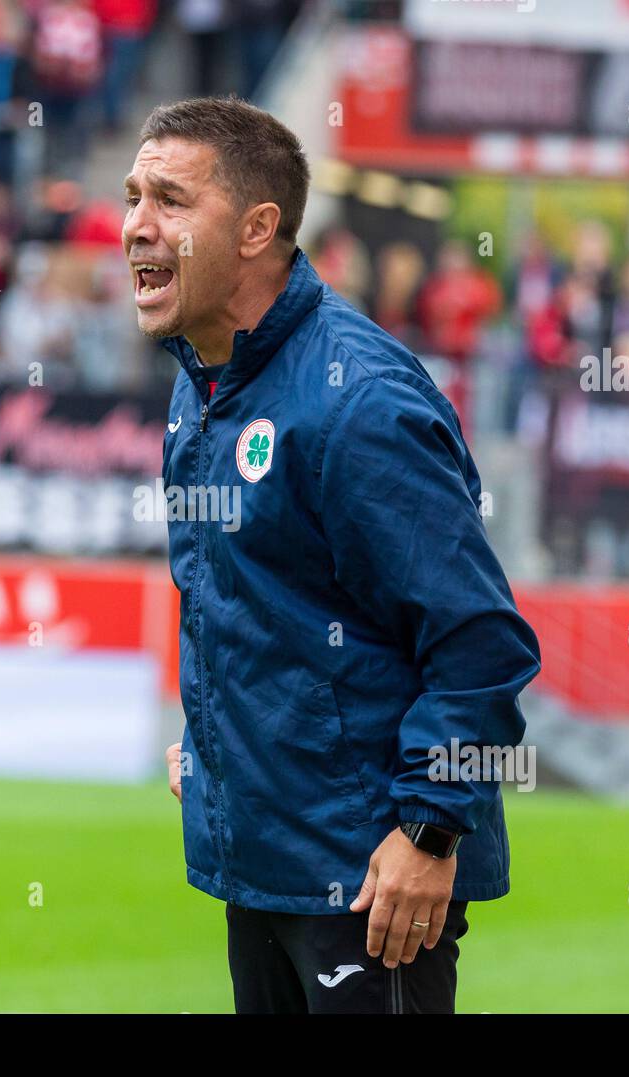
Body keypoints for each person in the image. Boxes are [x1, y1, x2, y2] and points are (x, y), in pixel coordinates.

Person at [123, 96, 541, 1014]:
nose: (135, 227)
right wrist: (213, 739)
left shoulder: (358, 400)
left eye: (170, 200)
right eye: (132, 197)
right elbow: (253, 608)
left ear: (256, 228)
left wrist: (430, 834)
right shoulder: (204, 386)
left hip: (369, 881)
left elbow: (482, 645)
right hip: (262, 860)